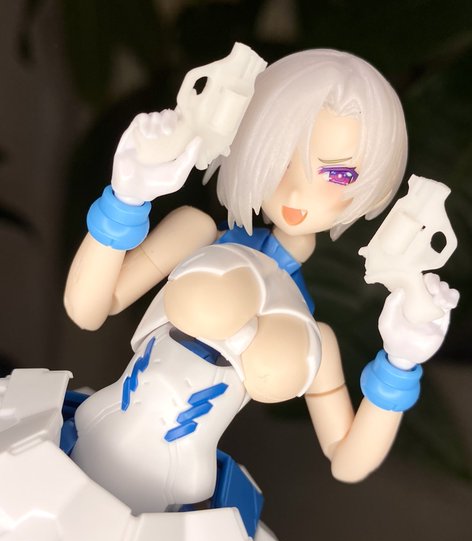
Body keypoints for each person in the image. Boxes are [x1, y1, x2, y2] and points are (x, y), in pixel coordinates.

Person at [65, 47, 457, 495]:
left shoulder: (314, 335)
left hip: (176, 492)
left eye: (337, 176)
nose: (297, 192)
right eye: (282, 157)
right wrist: (126, 198)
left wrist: (401, 361)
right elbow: (87, 309)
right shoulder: (195, 235)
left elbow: (347, 460)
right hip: (90, 437)